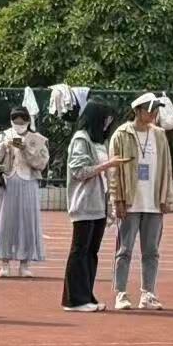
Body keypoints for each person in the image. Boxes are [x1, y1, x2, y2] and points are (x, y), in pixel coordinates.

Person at [109, 93, 173, 311]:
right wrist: (116, 198)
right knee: (124, 249)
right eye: (150, 109)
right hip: (130, 201)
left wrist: (166, 197)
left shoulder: (159, 135)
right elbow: (114, 170)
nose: (154, 113)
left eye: (156, 109)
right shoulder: (122, 134)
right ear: (137, 110)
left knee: (151, 251)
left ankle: (148, 293)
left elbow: (167, 168)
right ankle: (120, 293)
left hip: (153, 202)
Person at [62, 102, 122, 312]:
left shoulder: (99, 142)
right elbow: (79, 171)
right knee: (80, 251)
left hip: (99, 203)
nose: (107, 124)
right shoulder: (81, 139)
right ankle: (74, 299)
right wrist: (108, 165)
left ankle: (86, 294)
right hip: (84, 202)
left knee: (91, 252)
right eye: (105, 119)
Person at [0, 105, 48, 277]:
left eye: (22, 121)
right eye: (16, 121)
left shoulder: (37, 139)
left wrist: (25, 149)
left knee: (27, 222)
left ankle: (24, 263)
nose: (19, 124)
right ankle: (4, 263)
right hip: (8, 181)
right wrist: (3, 147)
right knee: (5, 222)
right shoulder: (3, 136)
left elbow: (41, 163)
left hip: (28, 181)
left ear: (28, 121)